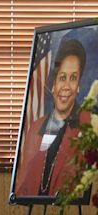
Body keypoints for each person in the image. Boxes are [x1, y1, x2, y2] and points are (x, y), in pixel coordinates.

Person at [15, 39, 87, 197]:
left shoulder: (89, 127)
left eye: (73, 78)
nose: (66, 86)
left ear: (79, 85)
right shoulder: (35, 129)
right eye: (62, 77)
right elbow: (23, 187)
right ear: (54, 83)